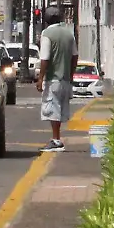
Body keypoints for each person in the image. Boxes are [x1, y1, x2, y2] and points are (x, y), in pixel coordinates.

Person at [36, 13, 77, 152]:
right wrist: (71, 75)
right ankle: (57, 138)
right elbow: (74, 56)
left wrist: (40, 78)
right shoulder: (69, 34)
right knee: (60, 109)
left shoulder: (47, 34)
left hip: (53, 78)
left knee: (52, 109)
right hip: (65, 79)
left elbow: (45, 58)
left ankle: (56, 140)